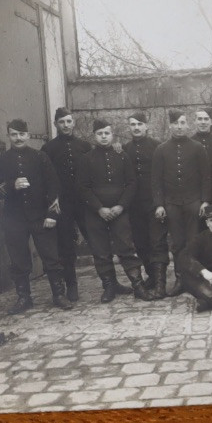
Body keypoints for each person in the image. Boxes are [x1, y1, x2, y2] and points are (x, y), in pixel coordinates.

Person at [0, 118, 67, 312]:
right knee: (18, 260)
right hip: (14, 219)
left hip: (41, 216)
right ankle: (24, 298)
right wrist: (11, 185)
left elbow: (54, 187)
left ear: (28, 136)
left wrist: (52, 215)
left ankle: (59, 295)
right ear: (9, 136)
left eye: (22, 134)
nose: (18, 138)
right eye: (14, 134)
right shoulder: (1, 160)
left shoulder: (41, 158)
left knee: (51, 257)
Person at [78, 118, 153, 302]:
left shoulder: (122, 156)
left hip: (120, 211)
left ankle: (138, 285)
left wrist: (121, 206)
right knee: (101, 251)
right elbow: (82, 187)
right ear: (94, 136)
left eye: (107, 133)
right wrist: (99, 208)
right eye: (100, 134)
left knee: (126, 247)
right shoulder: (87, 159)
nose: (104, 137)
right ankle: (109, 287)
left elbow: (131, 183)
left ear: (112, 135)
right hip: (96, 213)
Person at [151, 110, 212, 296]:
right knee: (177, 243)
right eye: (176, 123)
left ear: (188, 125)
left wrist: (205, 201)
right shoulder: (161, 149)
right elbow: (156, 180)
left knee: (193, 241)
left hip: (193, 202)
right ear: (170, 126)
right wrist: (160, 204)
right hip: (172, 204)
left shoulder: (198, 147)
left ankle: (194, 278)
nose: (179, 126)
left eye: (182, 123)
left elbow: (206, 177)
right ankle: (180, 278)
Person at [42, 107, 92, 302]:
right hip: (62, 204)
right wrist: (52, 201)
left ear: (74, 123)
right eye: (62, 122)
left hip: (84, 202)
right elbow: (45, 178)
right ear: (56, 124)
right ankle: (71, 285)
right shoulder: (48, 149)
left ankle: (110, 282)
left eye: (69, 121)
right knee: (65, 246)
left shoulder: (84, 146)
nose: (66, 125)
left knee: (96, 240)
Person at [122, 111, 168, 297]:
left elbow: (163, 177)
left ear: (146, 126)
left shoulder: (158, 147)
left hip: (154, 203)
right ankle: (151, 276)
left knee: (157, 241)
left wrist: (160, 203)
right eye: (133, 124)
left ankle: (160, 284)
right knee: (140, 243)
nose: (136, 127)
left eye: (140, 124)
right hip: (134, 205)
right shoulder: (125, 149)